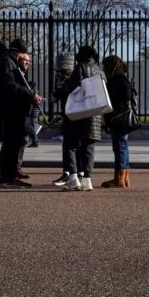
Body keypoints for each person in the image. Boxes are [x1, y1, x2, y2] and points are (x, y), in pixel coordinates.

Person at [55, 45, 104, 191]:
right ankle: (87, 179)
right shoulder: (100, 70)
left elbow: (71, 88)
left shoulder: (81, 67)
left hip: (80, 112)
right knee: (89, 147)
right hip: (95, 113)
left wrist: (59, 91)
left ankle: (73, 178)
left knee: (70, 144)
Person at [0, 39, 41, 188]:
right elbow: (9, 85)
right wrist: (30, 94)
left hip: (14, 110)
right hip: (10, 110)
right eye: (23, 54)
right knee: (11, 143)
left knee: (15, 142)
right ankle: (7, 177)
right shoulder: (7, 62)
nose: (25, 57)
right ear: (17, 52)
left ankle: (12, 174)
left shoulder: (11, 62)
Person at [100, 54, 135, 188]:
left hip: (119, 119)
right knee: (122, 146)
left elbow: (126, 95)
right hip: (120, 118)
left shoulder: (119, 79)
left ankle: (119, 179)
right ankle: (124, 177)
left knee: (120, 146)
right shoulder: (121, 78)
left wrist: (112, 100)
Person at [51, 53, 76, 186]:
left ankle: (71, 173)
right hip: (68, 115)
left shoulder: (69, 81)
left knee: (69, 147)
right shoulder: (64, 80)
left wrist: (59, 88)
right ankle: (68, 172)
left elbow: (57, 96)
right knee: (68, 146)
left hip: (72, 117)